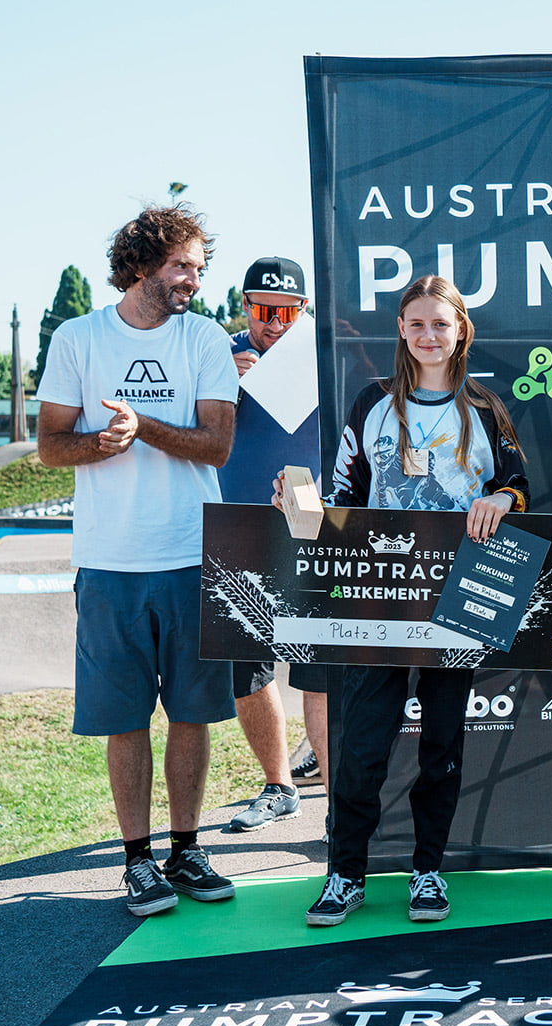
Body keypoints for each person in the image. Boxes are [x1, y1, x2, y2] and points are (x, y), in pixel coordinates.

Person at [283, 274, 528, 926]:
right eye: (416, 323)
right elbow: (341, 497)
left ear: (460, 330)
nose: (428, 335)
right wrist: (298, 502)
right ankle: (345, 874)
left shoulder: (485, 407)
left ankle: (427, 871)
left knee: (441, 748)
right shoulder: (372, 402)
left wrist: (501, 498)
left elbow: (519, 483)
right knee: (362, 747)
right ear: (400, 329)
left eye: (440, 324)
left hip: (459, 601)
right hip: (379, 601)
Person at [37, 206, 240, 917]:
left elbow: (217, 446)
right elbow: (49, 445)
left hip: (191, 553)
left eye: (199, 269)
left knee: (191, 714)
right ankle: (137, 861)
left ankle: (186, 849)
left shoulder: (204, 337)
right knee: (125, 719)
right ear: (143, 264)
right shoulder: (78, 337)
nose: (193, 280)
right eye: (183, 265)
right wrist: (101, 443)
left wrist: (141, 425)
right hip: (108, 561)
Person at [217, 256, 330, 831]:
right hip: (238, 527)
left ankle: (339, 809)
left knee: (318, 669)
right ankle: (278, 785)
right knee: (248, 669)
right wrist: (221, 386)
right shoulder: (218, 356)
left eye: (287, 312)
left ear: (303, 310)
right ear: (245, 306)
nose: (274, 323)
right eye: (264, 310)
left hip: (312, 524)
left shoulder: (326, 356)